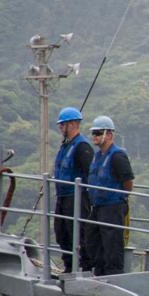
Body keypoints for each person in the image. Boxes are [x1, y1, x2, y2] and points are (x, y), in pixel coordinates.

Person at [85, 115, 134, 276]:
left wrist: (118, 198)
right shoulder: (98, 156)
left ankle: (114, 276)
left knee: (112, 245)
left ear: (109, 134)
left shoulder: (117, 156)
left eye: (98, 133)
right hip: (97, 207)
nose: (95, 136)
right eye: (94, 133)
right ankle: (98, 273)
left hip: (112, 207)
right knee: (93, 241)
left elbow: (128, 183)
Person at [52, 106, 94, 273]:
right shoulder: (66, 146)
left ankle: (84, 267)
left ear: (72, 124)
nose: (61, 128)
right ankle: (69, 266)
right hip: (63, 196)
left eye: (63, 125)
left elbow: (89, 173)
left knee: (78, 233)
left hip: (77, 197)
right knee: (62, 232)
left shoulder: (82, 146)